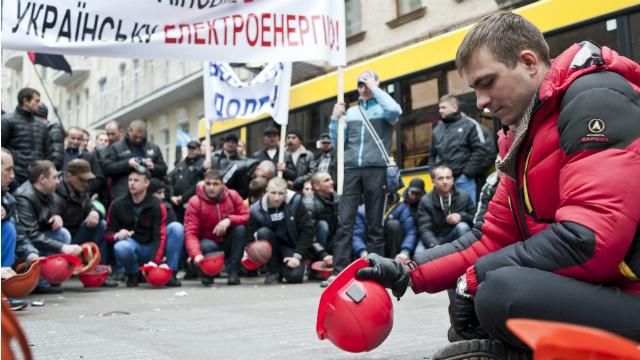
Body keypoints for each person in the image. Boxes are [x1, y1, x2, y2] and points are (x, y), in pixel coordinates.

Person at [354, 12, 640, 359]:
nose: (482, 102)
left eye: (487, 83)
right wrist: (407, 272)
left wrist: (473, 279)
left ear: (529, 62)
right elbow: (490, 238)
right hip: (613, 289)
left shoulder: (596, 101)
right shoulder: (525, 134)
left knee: (500, 291)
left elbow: (590, 241)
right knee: (477, 283)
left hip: (629, 290)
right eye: (475, 89)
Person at [329, 70, 402, 283]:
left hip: (376, 168)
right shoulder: (350, 112)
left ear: (376, 84)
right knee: (345, 221)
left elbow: (395, 110)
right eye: (360, 84)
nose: (363, 88)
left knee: (374, 223)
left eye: (367, 84)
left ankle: (376, 269)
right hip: (351, 168)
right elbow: (337, 143)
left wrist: (375, 89)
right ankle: (338, 271)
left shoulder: (384, 108)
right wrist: (335, 119)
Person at [105, 167, 181, 287]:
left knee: (176, 228)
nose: (132, 183)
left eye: (136, 180)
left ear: (146, 183)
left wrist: (153, 262)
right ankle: (133, 274)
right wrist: (116, 235)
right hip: (134, 246)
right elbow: (107, 231)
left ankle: (170, 273)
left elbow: (160, 236)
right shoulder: (117, 204)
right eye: (130, 180)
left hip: (152, 246)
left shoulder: (157, 205)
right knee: (121, 246)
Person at [14, 160, 79, 294]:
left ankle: (51, 278)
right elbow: (30, 235)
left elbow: (56, 208)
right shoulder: (24, 197)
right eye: (54, 177)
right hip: (23, 248)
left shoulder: (48, 191)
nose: (58, 181)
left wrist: (57, 216)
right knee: (62, 237)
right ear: (42, 179)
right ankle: (40, 282)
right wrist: (62, 247)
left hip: (36, 238)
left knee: (62, 233)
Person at [184, 169, 249, 286]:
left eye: (215, 184)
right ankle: (208, 273)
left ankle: (233, 272)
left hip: (227, 241)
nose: (211, 188)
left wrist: (229, 220)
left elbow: (246, 215)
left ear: (222, 184)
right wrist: (196, 254)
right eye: (208, 184)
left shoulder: (232, 195)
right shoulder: (195, 202)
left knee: (240, 230)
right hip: (207, 242)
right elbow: (190, 233)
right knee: (208, 246)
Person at [429, 95, 495, 206]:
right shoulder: (437, 130)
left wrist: (466, 174)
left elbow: (481, 150)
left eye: (443, 107)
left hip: (463, 180)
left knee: (467, 214)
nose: (440, 111)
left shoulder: (470, 125)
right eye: (439, 108)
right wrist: (433, 173)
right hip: (443, 181)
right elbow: (432, 154)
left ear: (454, 108)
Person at [247, 177, 313, 284]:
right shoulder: (256, 209)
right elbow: (249, 235)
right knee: (263, 232)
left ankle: (285, 269)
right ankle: (273, 271)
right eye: (273, 193)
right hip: (271, 246)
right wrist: (250, 254)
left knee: (295, 277)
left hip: (292, 246)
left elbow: (307, 231)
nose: (276, 198)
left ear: (286, 193)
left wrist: (297, 256)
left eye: (280, 193)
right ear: (267, 191)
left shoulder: (296, 203)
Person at [102, 119, 168, 201]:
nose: (138, 140)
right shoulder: (116, 147)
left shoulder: (153, 147)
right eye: (135, 137)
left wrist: (153, 166)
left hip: (148, 194)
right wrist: (127, 164)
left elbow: (164, 169)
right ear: (129, 131)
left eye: (141, 137)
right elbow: (107, 168)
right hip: (123, 194)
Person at [415, 165, 475, 252]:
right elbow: (424, 229)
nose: (445, 181)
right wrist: (435, 245)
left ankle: (466, 260)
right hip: (435, 237)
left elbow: (475, 219)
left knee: (463, 227)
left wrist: (461, 216)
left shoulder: (464, 196)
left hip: (454, 234)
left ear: (453, 180)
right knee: (419, 253)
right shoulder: (425, 200)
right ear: (433, 181)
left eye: (448, 178)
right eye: (440, 178)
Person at [1, 88, 49, 189]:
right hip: (14, 178)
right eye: (36, 101)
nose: (39, 105)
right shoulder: (6, 120)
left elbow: (45, 152)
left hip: (36, 178)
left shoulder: (41, 125)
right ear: (25, 101)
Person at [352, 191, 417, 264]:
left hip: (394, 253)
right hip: (370, 252)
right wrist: (362, 252)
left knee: (393, 225)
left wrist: (405, 252)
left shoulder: (400, 207)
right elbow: (357, 235)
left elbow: (410, 232)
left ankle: (394, 265)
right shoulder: (362, 211)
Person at [168, 140, 205, 222]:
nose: (191, 151)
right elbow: (170, 179)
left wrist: (183, 198)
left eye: (193, 149)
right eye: (189, 149)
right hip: (175, 203)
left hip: (191, 204)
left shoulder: (203, 164)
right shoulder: (181, 163)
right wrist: (171, 196)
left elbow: (198, 184)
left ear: (199, 150)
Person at [63, 127, 105, 196]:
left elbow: (99, 178)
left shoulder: (89, 157)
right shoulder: (59, 155)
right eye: (73, 138)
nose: (75, 141)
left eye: (78, 139)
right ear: (67, 137)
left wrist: (85, 190)